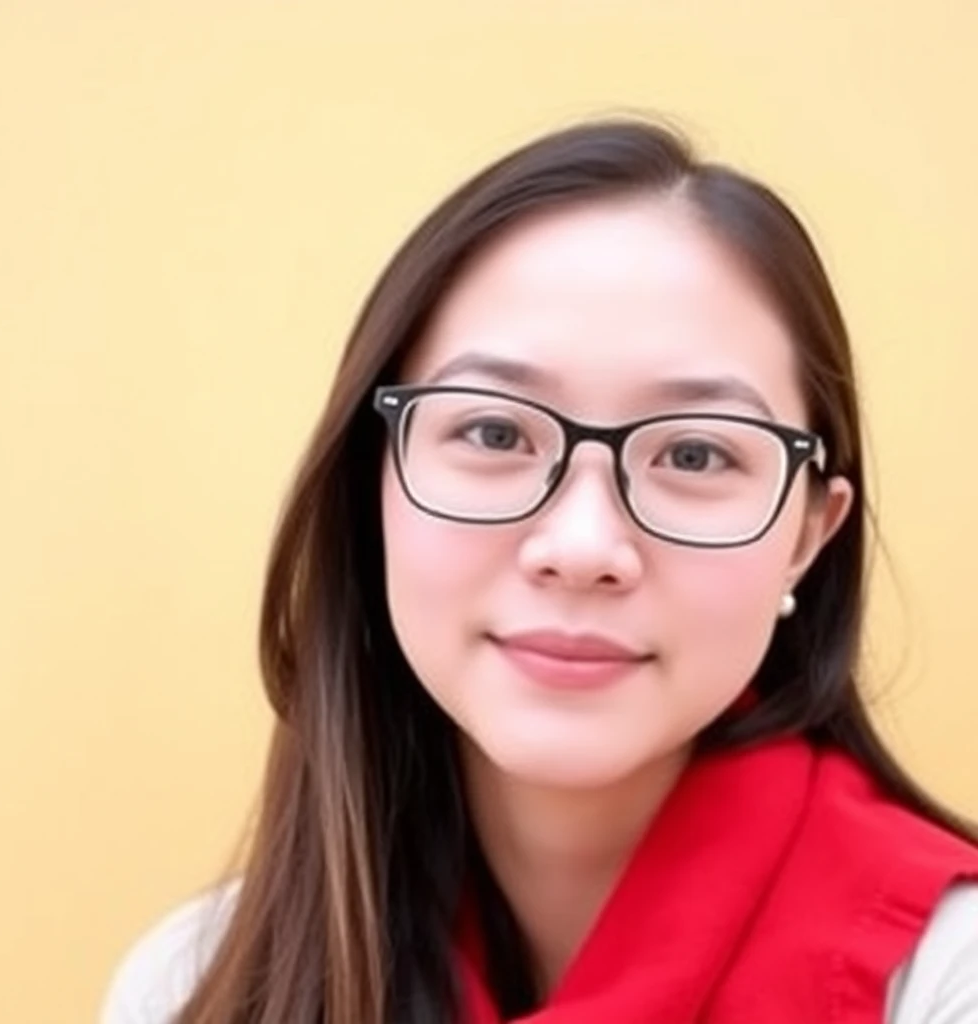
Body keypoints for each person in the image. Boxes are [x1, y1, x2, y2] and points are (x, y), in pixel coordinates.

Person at [100, 118, 978, 1024]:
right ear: (375, 487)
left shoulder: (948, 982)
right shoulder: (199, 987)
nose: (584, 547)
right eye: (492, 433)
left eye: (696, 455)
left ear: (808, 532)